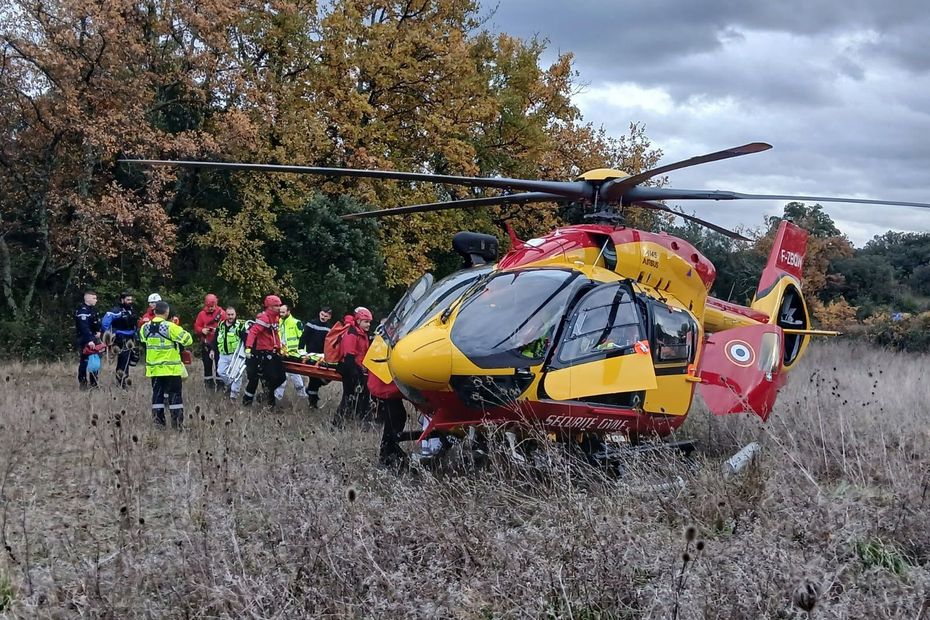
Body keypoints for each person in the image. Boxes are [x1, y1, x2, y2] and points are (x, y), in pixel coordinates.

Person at [138, 301, 193, 429]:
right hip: (171, 369)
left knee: (157, 396)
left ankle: (159, 424)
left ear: (154, 312)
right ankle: (177, 425)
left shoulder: (145, 328)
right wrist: (176, 326)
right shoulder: (170, 327)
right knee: (175, 397)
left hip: (154, 370)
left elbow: (142, 340)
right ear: (167, 312)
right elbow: (188, 339)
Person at [242, 295, 286, 408]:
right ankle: (267, 403)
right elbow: (253, 333)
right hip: (263, 353)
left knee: (281, 377)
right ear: (269, 307)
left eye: (279, 305)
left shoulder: (276, 318)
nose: (279, 308)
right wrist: (248, 348)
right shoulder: (264, 318)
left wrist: (279, 347)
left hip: (273, 351)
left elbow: (275, 333)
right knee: (267, 379)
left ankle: (265, 397)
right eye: (276, 306)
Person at [334, 307, 372, 426]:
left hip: (357, 368)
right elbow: (349, 355)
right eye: (366, 322)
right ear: (359, 320)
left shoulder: (362, 334)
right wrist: (356, 373)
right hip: (350, 368)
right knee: (349, 396)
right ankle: (338, 423)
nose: (368, 325)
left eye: (369, 322)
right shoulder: (352, 333)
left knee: (361, 395)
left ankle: (356, 420)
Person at [368, 372, 407, 468]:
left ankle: (388, 453)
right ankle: (387, 456)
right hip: (386, 379)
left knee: (396, 415)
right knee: (396, 415)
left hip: (385, 378)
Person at [101, 291, 138, 389]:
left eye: (131, 299)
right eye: (128, 300)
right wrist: (110, 335)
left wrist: (136, 335)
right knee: (123, 361)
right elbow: (105, 323)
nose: (130, 301)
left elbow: (134, 324)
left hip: (131, 338)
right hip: (120, 338)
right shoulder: (116, 311)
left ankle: (124, 381)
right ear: (122, 300)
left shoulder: (131, 310)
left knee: (128, 361)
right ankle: (122, 383)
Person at [299, 306, 332, 407]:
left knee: (325, 378)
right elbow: (304, 337)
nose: (323, 317)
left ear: (329, 317)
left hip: (322, 356)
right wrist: (301, 350)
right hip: (311, 355)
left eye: (326, 316)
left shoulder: (329, 328)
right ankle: (312, 403)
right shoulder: (311, 323)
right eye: (322, 314)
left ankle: (310, 392)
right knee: (314, 379)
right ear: (319, 313)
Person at [274, 304, 306, 402]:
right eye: (280, 312)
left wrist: (302, 354)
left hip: (293, 355)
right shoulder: (278, 322)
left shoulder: (296, 323)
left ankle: (302, 396)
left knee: (295, 375)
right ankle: (277, 398)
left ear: (288, 312)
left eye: (283, 312)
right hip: (281, 354)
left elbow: (303, 339)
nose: (281, 314)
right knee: (282, 376)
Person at [193, 293, 226, 391]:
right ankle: (209, 386)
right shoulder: (201, 314)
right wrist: (202, 330)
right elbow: (197, 326)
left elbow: (227, 326)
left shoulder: (222, 313)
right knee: (207, 365)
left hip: (219, 344)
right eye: (209, 306)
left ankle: (220, 386)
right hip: (206, 344)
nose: (211, 308)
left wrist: (218, 331)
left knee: (219, 366)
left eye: (212, 306)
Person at [215, 306, 246, 400]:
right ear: (225, 315)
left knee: (237, 375)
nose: (230, 316)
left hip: (235, 355)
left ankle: (234, 396)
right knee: (220, 371)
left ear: (235, 314)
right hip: (223, 354)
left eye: (232, 314)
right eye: (228, 314)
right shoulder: (221, 325)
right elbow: (215, 338)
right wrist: (213, 350)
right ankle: (230, 384)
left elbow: (245, 339)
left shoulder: (239, 326)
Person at [74, 290, 103, 389]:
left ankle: (94, 383)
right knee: (85, 362)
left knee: (94, 361)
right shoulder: (82, 311)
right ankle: (83, 383)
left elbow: (96, 323)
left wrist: (98, 332)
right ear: (87, 298)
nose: (96, 300)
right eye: (94, 298)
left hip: (94, 339)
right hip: (85, 340)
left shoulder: (92, 310)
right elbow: (84, 327)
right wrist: (89, 340)